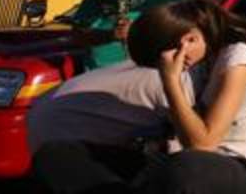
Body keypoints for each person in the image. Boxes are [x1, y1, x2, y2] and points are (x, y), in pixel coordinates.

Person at [127, 0, 246, 194]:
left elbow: (204, 143)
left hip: (239, 164)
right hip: (197, 157)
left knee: (185, 170)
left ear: (188, 40)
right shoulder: (208, 48)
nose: (172, 66)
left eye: (163, 61)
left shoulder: (240, 55)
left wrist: (170, 80)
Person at [28, 61, 201, 194]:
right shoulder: (181, 84)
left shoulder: (165, 66)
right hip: (61, 132)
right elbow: (193, 151)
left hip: (48, 118)